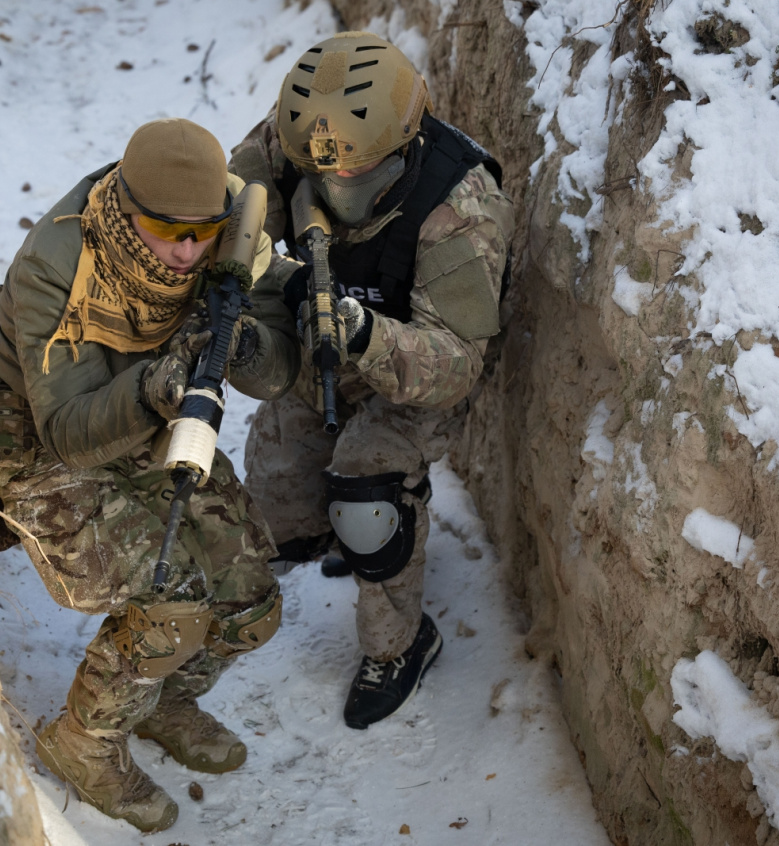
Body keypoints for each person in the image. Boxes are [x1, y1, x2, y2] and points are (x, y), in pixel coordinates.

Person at [0, 118, 299, 832]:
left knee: (250, 596)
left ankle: (163, 699)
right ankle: (84, 742)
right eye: (167, 231)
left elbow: (277, 372)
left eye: (202, 232)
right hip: (38, 429)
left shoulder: (232, 232)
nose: (187, 251)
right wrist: (153, 389)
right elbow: (69, 433)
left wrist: (251, 345)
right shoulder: (58, 260)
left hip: (153, 409)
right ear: (129, 210)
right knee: (170, 601)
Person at [228, 32, 515, 730]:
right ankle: (338, 536)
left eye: (355, 173)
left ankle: (401, 644)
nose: (335, 185)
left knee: (366, 497)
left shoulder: (459, 205)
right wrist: (265, 282)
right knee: (277, 502)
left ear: (399, 146)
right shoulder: (292, 143)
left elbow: (454, 363)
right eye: (320, 172)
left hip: (420, 367)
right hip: (320, 342)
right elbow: (235, 215)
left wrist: (364, 335)